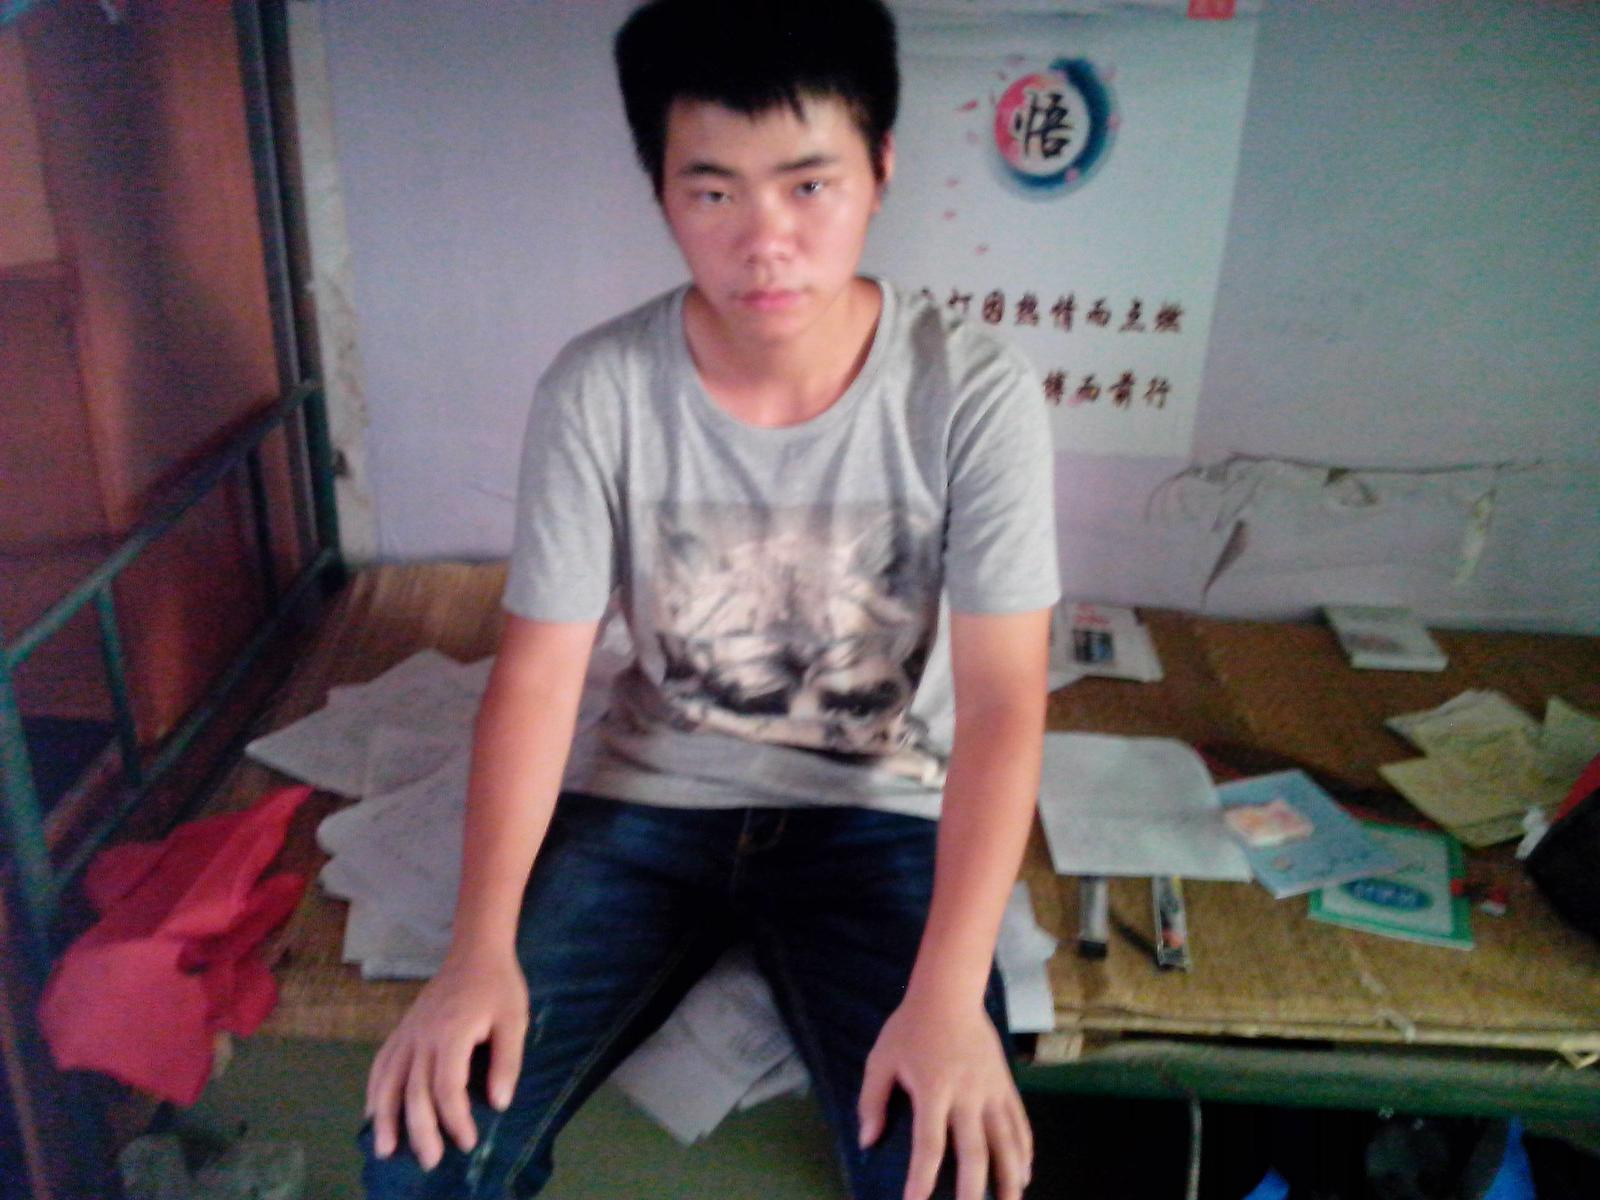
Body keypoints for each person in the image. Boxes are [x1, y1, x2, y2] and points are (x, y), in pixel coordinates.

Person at [360, 2, 1058, 1197]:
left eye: (808, 185)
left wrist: (949, 996)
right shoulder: (599, 390)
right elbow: (537, 680)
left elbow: (1003, 702)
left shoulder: (971, 391)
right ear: (662, 193)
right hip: (650, 804)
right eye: (713, 191)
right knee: (421, 1159)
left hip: (878, 813)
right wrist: (475, 953)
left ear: (881, 168)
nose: (765, 241)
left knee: (951, 1173)